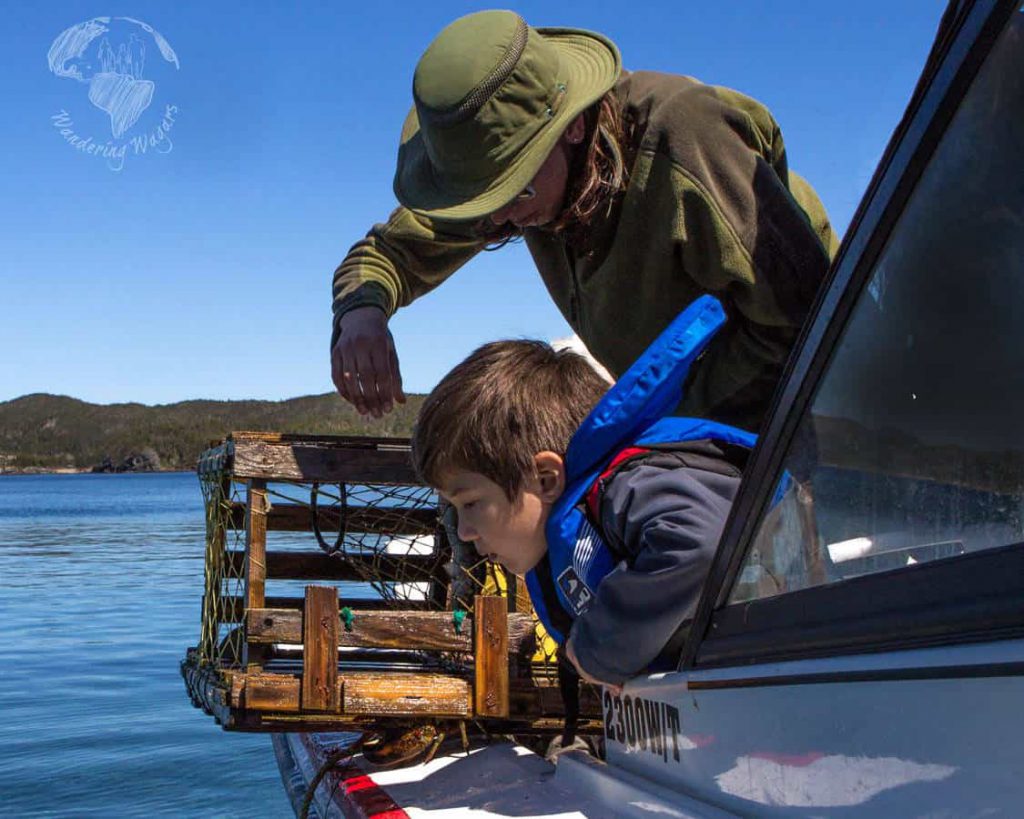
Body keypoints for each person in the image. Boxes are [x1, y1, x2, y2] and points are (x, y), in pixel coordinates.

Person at [331, 10, 838, 431]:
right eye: (482, 206)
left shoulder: (687, 140)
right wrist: (362, 313)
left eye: (515, 189)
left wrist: (665, 423)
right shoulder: (508, 197)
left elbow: (806, 327)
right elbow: (388, 254)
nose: (501, 219)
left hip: (813, 412)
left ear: (573, 124)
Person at [412, 295, 754, 688]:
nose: (466, 531)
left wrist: (603, 650)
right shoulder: (588, 518)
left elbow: (701, 542)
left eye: (471, 503)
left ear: (545, 479)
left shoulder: (630, 486)